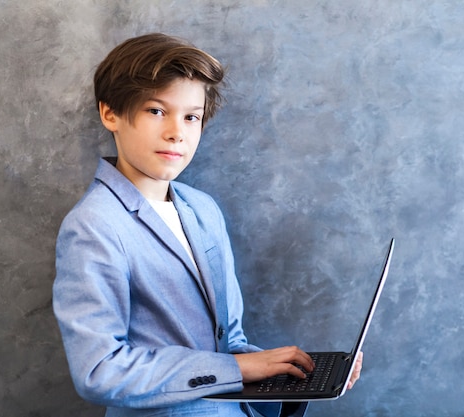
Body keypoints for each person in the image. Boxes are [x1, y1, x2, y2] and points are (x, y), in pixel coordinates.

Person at [52, 33, 362, 417]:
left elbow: (228, 344)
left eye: (191, 116)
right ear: (110, 113)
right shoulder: (92, 226)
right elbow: (100, 371)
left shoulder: (202, 209)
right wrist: (236, 368)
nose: (176, 132)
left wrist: (298, 375)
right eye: (155, 111)